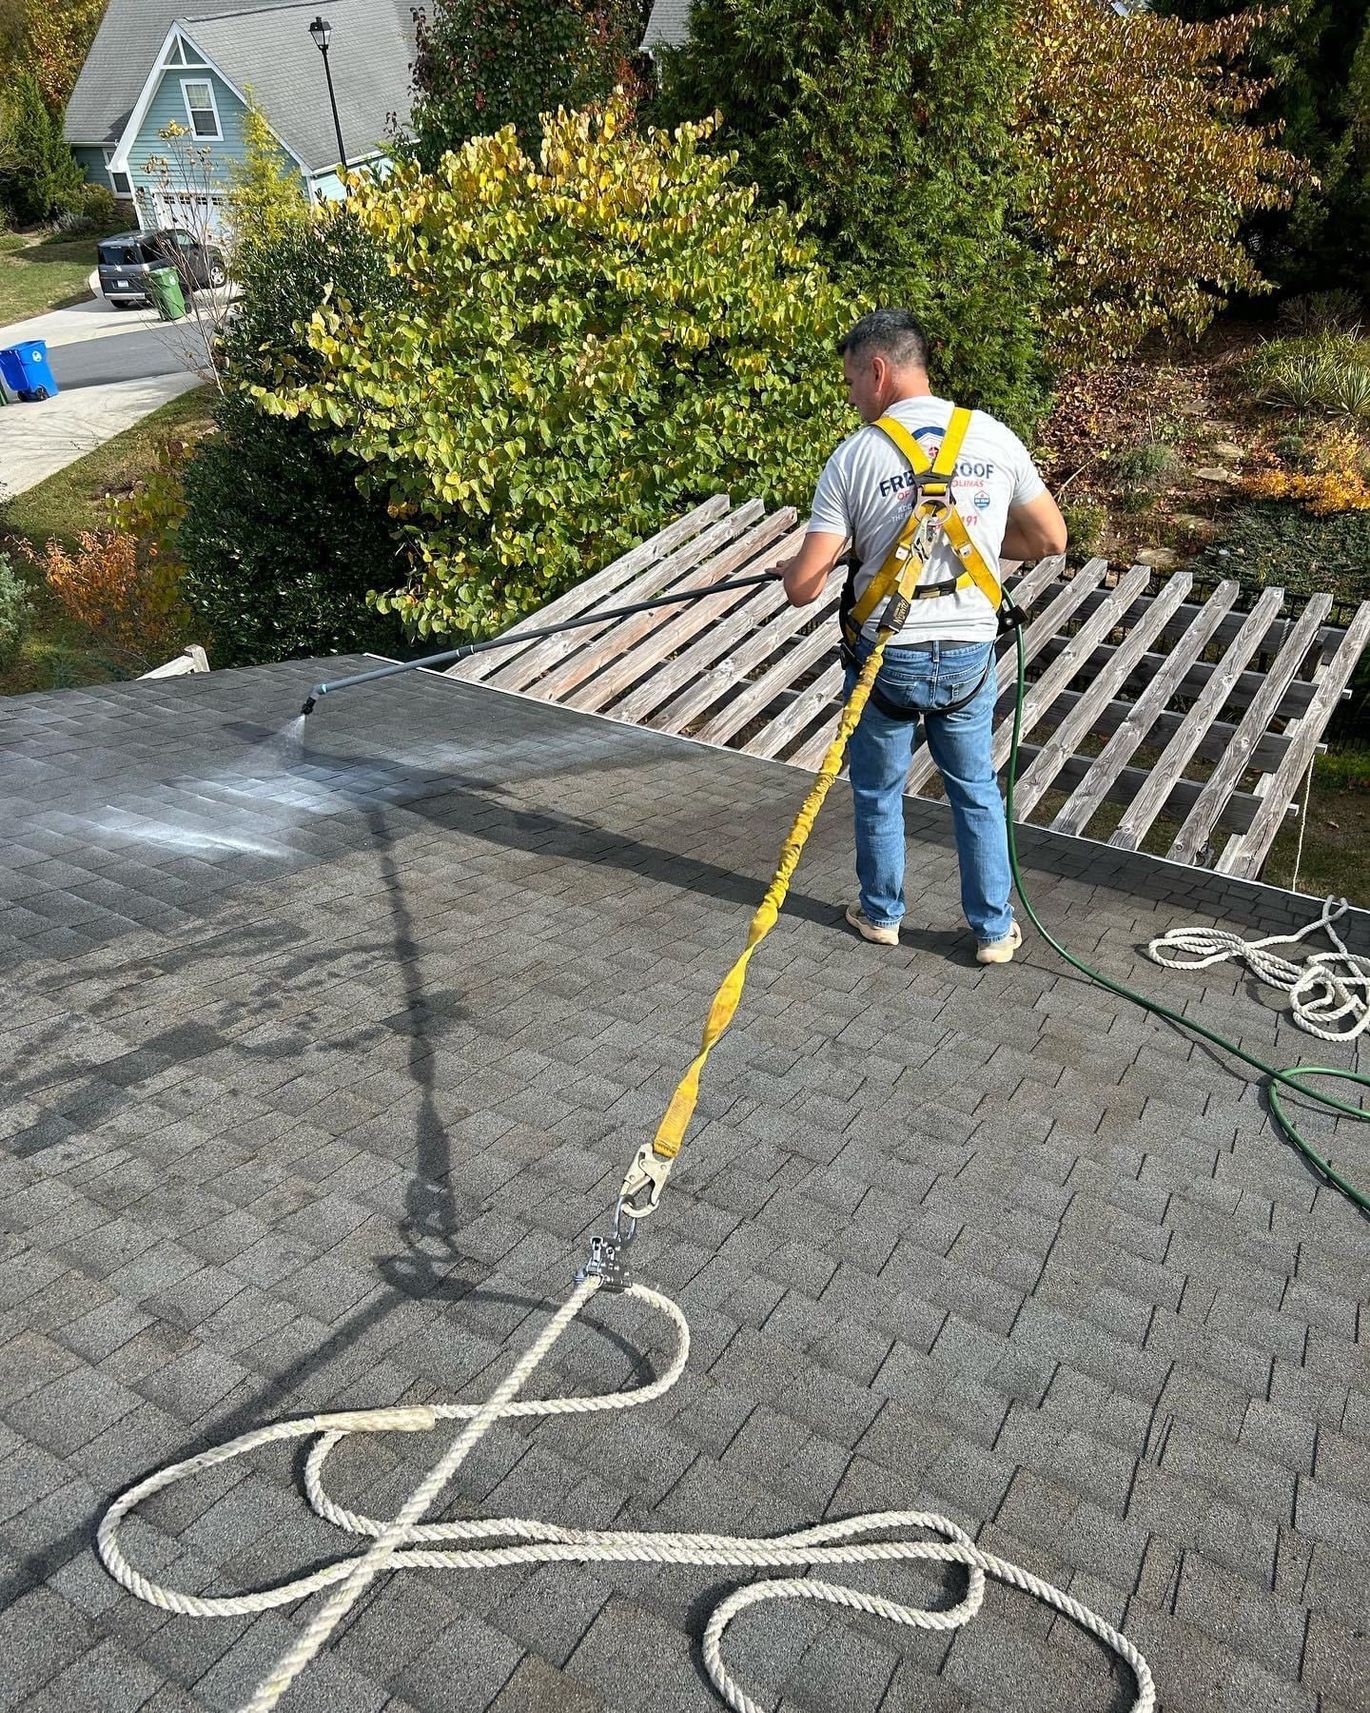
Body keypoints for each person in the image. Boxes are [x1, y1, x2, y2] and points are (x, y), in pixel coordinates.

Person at [777, 308, 1067, 964]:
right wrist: (983, 548)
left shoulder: (857, 456)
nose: (852, 396)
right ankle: (994, 929)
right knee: (975, 791)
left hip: (886, 659)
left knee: (879, 789)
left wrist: (797, 566)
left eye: (853, 380)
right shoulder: (992, 438)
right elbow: (1051, 539)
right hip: (967, 656)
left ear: (878, 371)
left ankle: (881, 913)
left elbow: (803, 586)